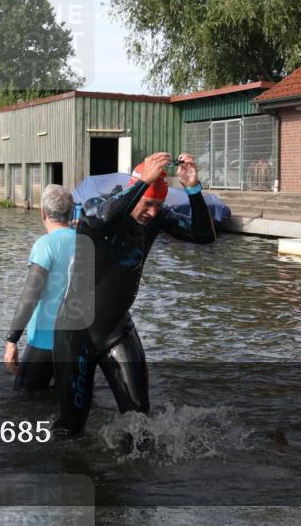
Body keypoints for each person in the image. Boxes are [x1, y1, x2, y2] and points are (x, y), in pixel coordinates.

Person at [52, 152, 215, 435]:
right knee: (72, 424)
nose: (152, 212)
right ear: (135, 188)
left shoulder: (154, 219)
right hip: (77, 332)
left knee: (139, 416)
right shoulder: (97, 206)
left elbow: (204, 235)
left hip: (117, 329)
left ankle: (132, 475)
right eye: (148, 204)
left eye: (158, 205)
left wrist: (193, 189)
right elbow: (101, 219)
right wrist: (142, 184)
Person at [4, 184, 77, 391]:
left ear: (43, 212)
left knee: (23, 405)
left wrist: (12, 340)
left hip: (45, 344)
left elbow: (31, 295)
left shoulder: (45, 244)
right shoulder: (87, 241)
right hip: (78, 345)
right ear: (71, 212)